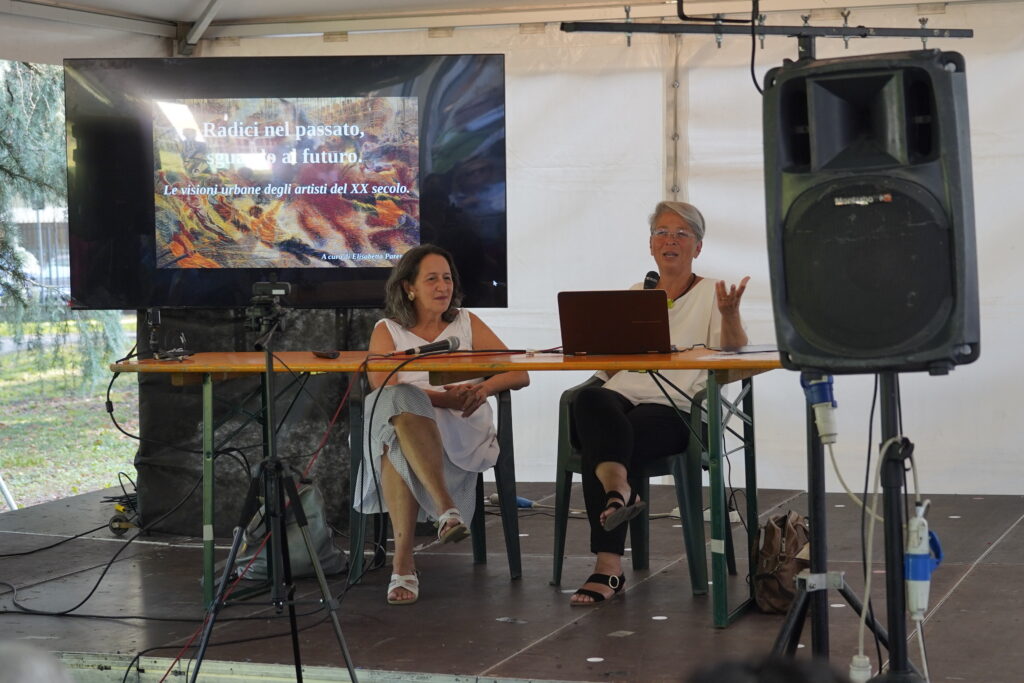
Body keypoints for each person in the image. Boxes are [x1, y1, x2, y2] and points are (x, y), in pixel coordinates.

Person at [569, 200, 750, 605]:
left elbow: (735, 358)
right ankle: (621, 491)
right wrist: (590, 343)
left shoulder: (713, 293)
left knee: (612, 440)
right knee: (589, 400)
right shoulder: (638, 293)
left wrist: (730, 315)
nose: (670, 240)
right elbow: (613, 365)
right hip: (625, 396)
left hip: (680, 407)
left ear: (697, 247)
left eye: (682, 234)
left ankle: (607, 566)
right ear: (651, 245)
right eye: (662, 233)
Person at [353, 244, 529, 605]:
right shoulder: (388, 330)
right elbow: (381, 384)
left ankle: (404, 563)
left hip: (461, 428)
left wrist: (482, 389)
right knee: (399, 406)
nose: (442, 286)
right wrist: (439, 398)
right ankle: (446, 511)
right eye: (431, 279)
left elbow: (519, 373)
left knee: (394, 432)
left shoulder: (466, 323)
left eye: (447, 278)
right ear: (409, 287)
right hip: (410, 424)